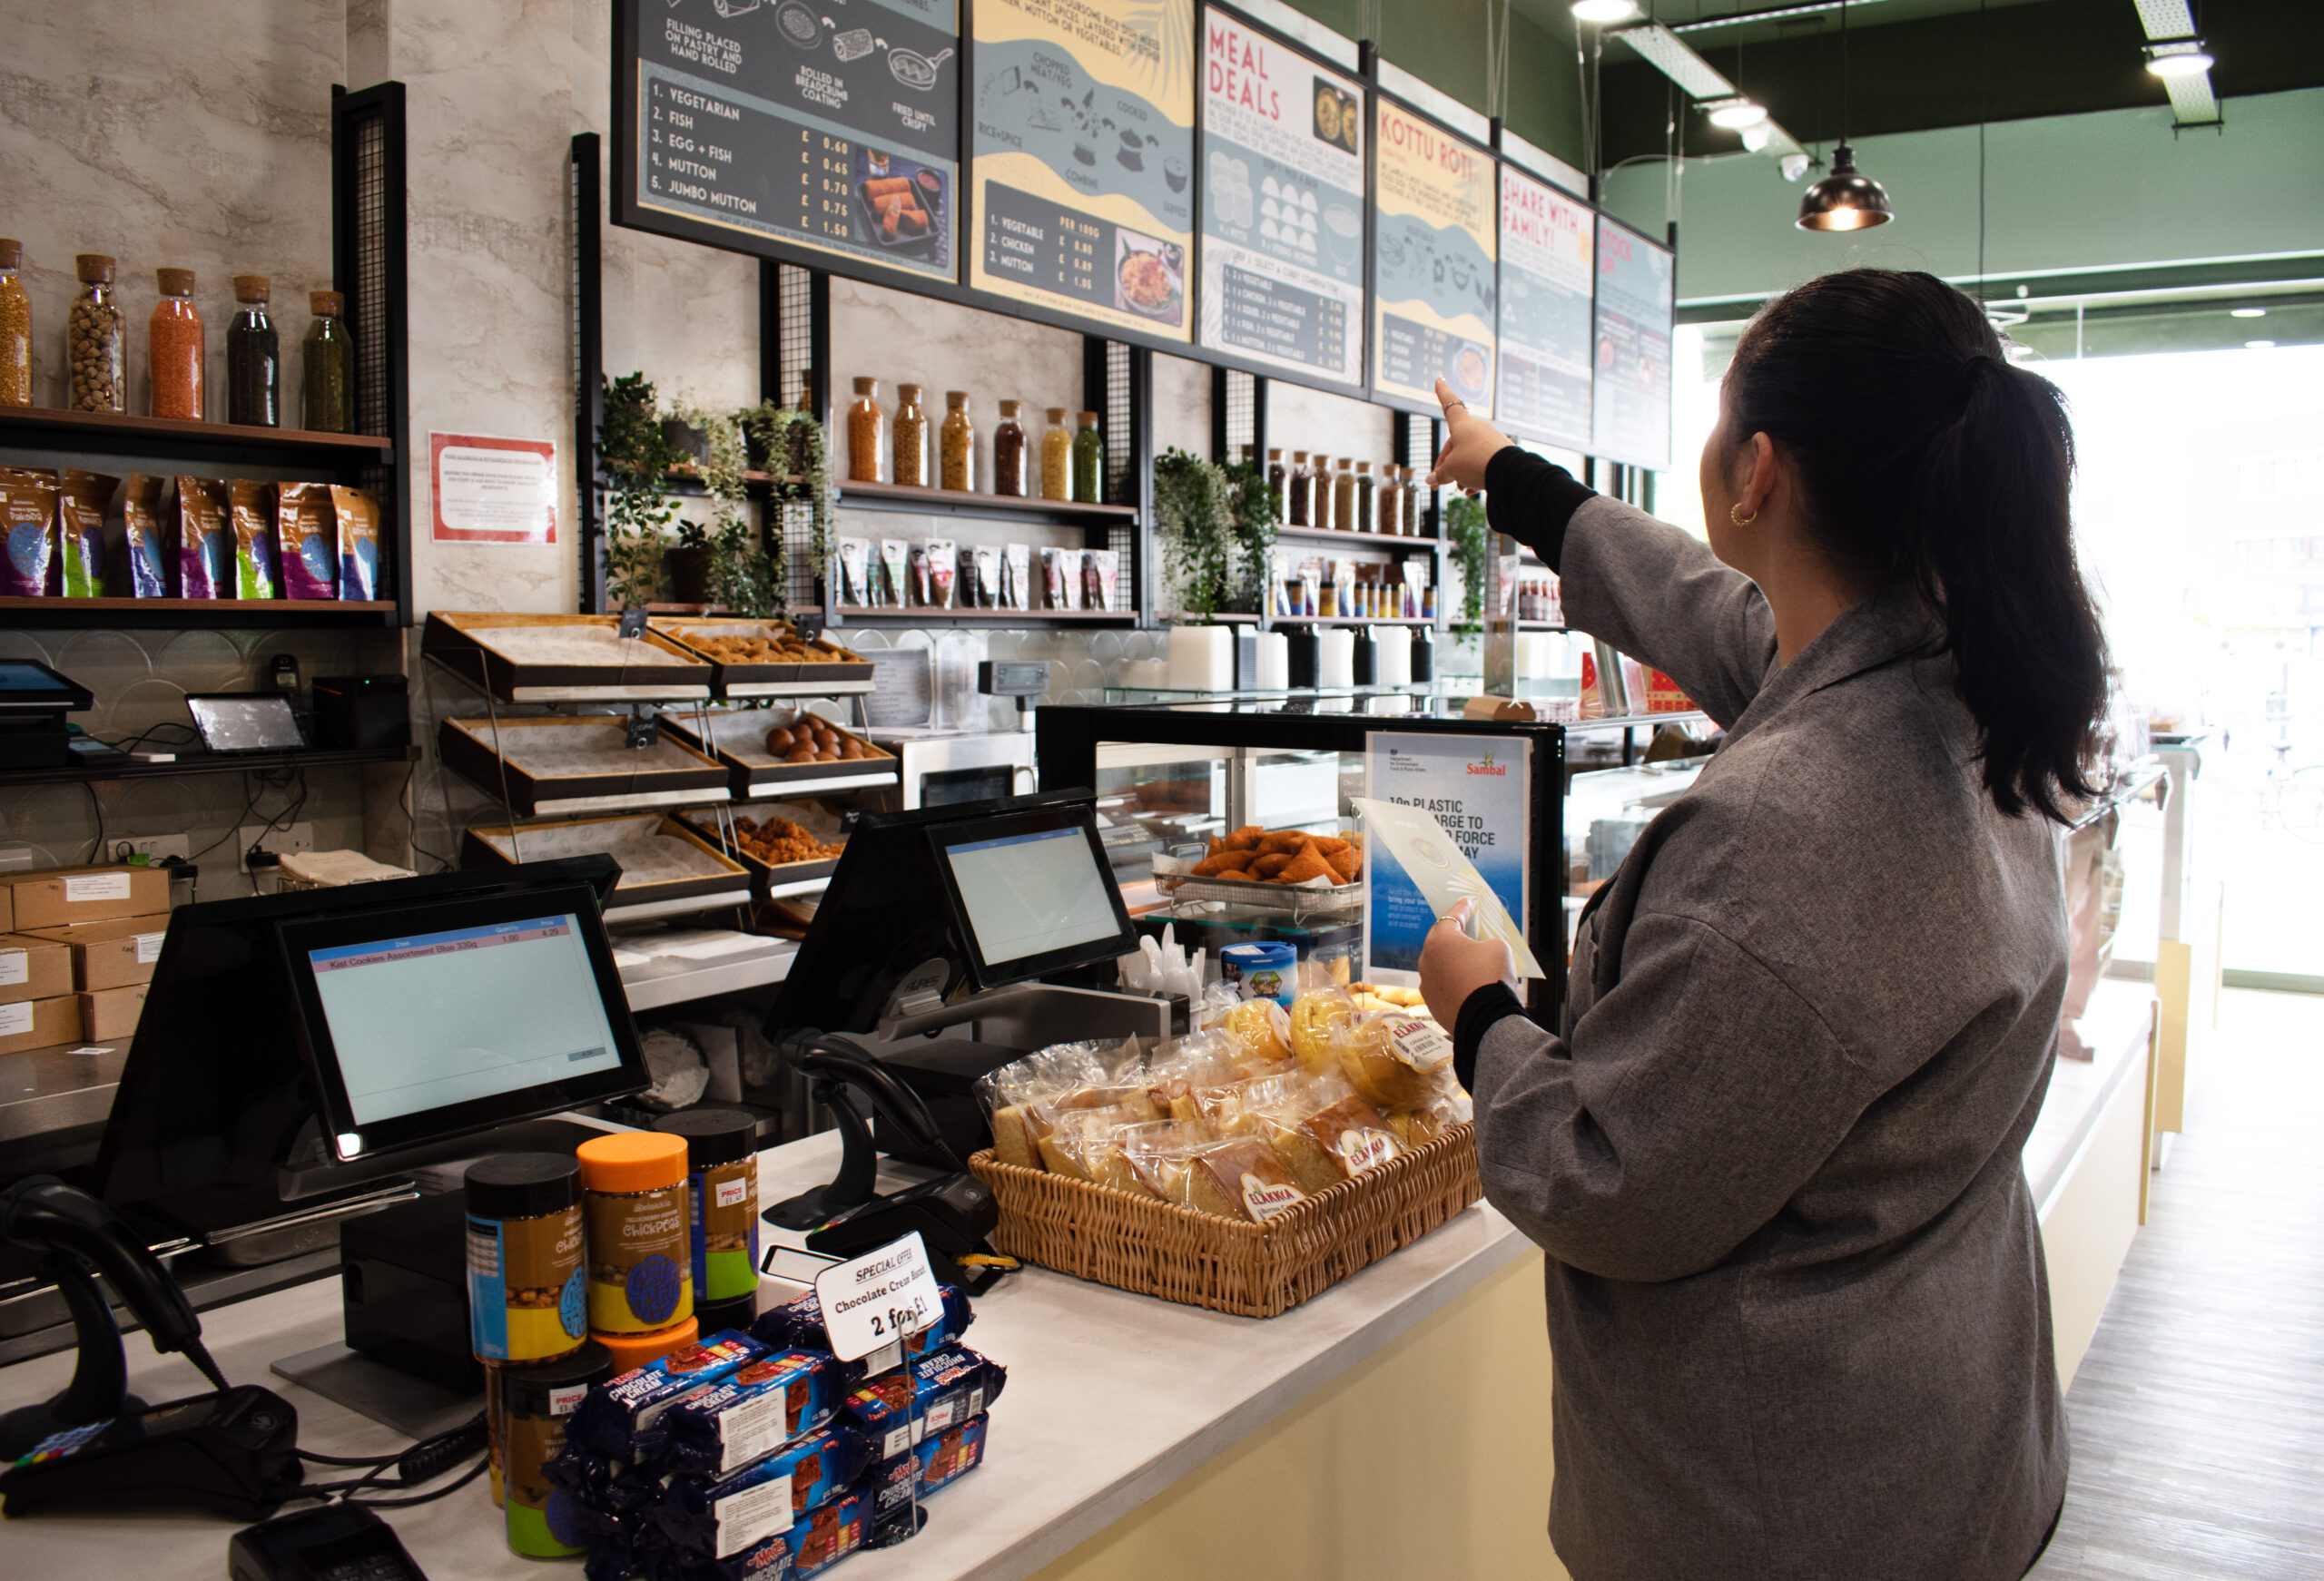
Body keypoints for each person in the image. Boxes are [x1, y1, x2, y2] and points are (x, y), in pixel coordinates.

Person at [1416, 268, 2110, 1581]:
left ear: (1758, 471)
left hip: (1788, 1505)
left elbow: (1610, 1179)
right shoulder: (1958, 683)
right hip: (1949, 1439)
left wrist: (1481, 1014)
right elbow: (1713, 610)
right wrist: (1515, 480)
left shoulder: (1777, 838)